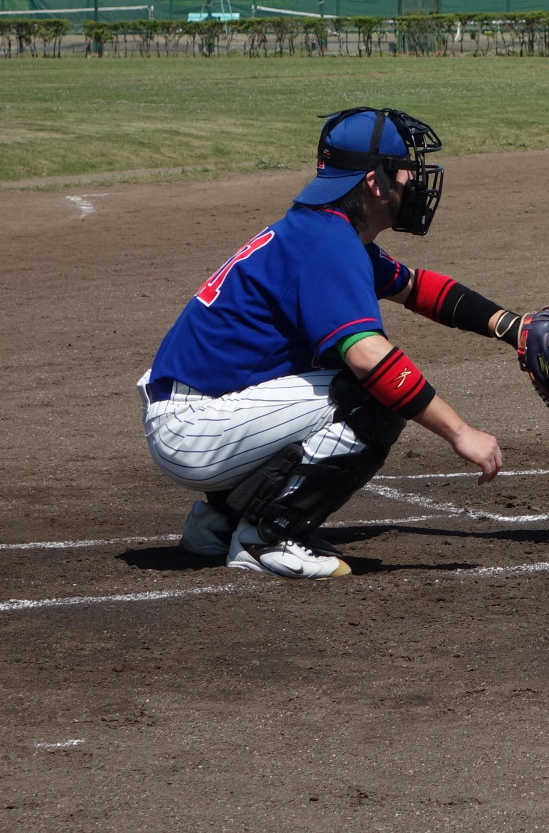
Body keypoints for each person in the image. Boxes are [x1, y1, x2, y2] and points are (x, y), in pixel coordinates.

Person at [140, 108, 525, 579]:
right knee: (371, 392)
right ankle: (266, 536)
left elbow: (416, 288)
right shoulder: (327, 241)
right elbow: (369, 358)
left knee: (354, 381)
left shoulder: (321, 230)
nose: (414, 181)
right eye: (406, 169)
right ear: (374, 182)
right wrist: (461, 433)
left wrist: (513, 326)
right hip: (198, 430)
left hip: (201, 415)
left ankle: (218, 524)